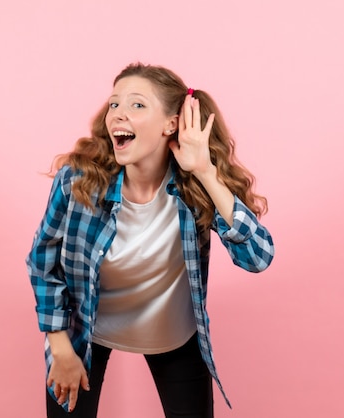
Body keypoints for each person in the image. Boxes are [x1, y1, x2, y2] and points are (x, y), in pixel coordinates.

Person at [26, 62, 274, 418]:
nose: (118, 115)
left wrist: (205, 171)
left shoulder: (193, 188)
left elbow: (258, 257)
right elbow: (42, 260)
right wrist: (60, 346)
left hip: (174, 335)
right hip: (85, 333)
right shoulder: (78, 180)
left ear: (171, 124)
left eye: (137, 105)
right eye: (114, 104)